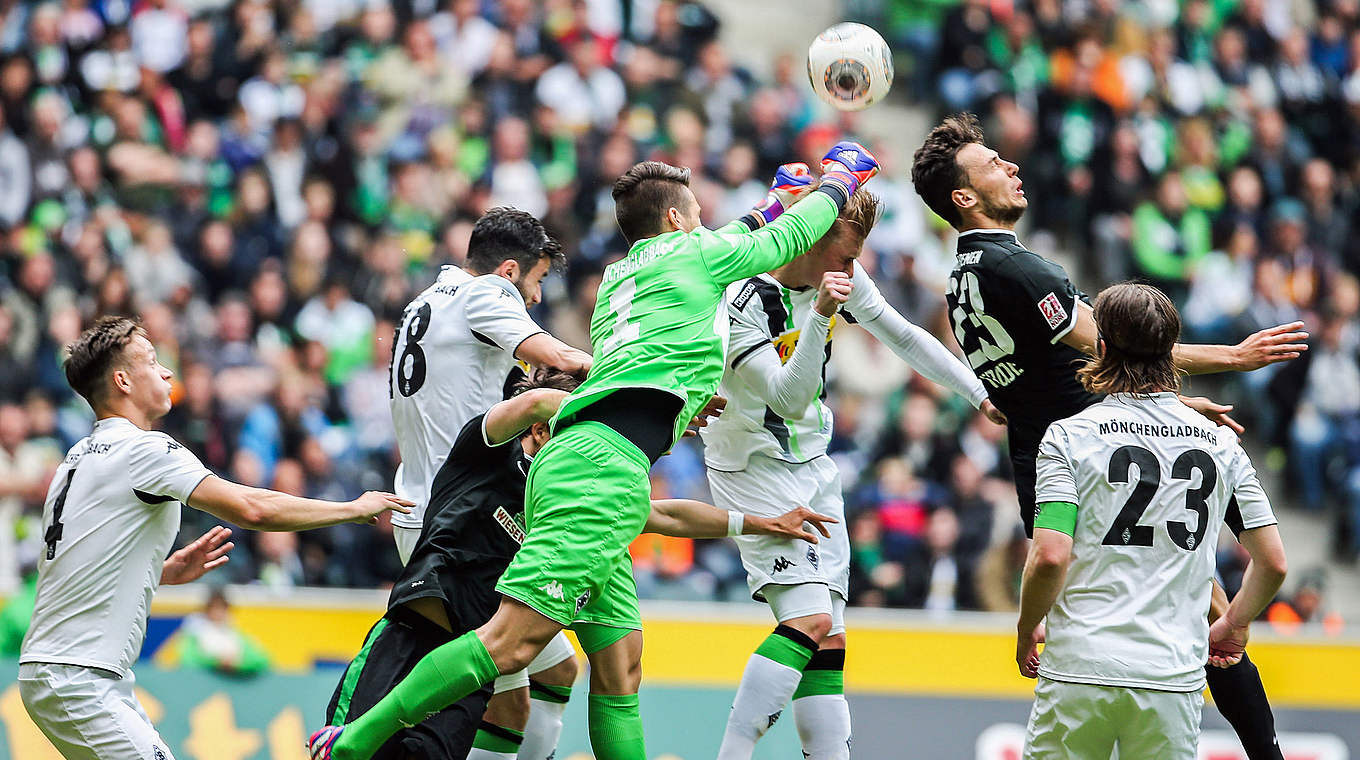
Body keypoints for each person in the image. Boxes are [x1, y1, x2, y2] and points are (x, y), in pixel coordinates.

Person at [308, 142, 882, 760]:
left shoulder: (619, 276)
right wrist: (835, 182)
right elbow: (781, 240)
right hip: (597, 467)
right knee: (510, 645)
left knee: (619, 663)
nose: (702, 228)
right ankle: (354, 743)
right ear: (674, 223)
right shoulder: (691, 255)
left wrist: (767, 206)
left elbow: (729, 239)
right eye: (694, 217)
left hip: (596, 458)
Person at [910, 113, 1304, 760]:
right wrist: (1231, 360)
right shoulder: (1016, 268)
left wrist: (1162, 406)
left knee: (1165, 610)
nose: (1011, 166)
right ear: (964, 197)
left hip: (1051, 456)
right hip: (1098, 458)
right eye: (993, 165)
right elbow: (1116, 343)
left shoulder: (965, 275)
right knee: (1206, 613)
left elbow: (1041, 379)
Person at [322, 367, 834, 760]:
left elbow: (662, 514)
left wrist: (760, 521)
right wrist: (646, 408)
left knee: (584, 667)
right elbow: (538, 400)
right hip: (416, 635)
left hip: (469, 667)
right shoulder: (484, 450)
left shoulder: (582, 501)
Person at [18, 316, 411, 760]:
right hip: (81, 677)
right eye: (151, 360)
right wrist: (350, 509)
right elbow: (252, 508)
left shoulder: (76, 457)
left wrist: (158, 572)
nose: (167, 371)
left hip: (63, 671)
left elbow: (72, 561)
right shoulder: (143, 450)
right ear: (122, 380)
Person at [704, 187, 1004, 760]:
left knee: (831, 639)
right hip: (754, 466)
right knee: (811, 620)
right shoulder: (742, 300)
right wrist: (820, 317)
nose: (852, 268)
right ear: (807, 240)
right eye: (843, 255)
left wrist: (977, 393)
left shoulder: (840, 272)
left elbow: (904, 335)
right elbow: (788, 399)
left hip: (813, 463)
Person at [1014, 282, 1288, 759]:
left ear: (1100, 346)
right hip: (1171, 678)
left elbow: (1049, 557)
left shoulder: (1068, 437)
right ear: (1171, 353)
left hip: (1081, 667)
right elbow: (1273, 563)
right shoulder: (1219, 443)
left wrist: (1026, 628)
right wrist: (1234, 623)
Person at [387, 206, 593, 759]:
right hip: (455, 522)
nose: (537, 300)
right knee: (500, 698)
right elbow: (561, 359)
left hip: (434, 508)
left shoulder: (424, 304)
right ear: (508, 271)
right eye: (538, 281)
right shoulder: (486, 295)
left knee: (556, 672)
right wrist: (643, 398)